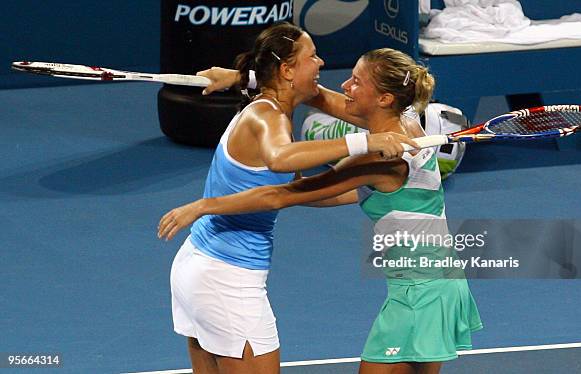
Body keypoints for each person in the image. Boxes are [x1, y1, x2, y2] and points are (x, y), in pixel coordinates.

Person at [159, 48, 483, 374]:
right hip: (440, 284)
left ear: (384, 98)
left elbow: (283, 195)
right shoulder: (408, 120)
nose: (344, 86)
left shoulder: (379, 160)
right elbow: (315, 98)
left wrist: (204, 206)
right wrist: (243, 78)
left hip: (420, 295)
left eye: (356, 82)